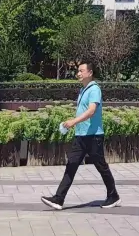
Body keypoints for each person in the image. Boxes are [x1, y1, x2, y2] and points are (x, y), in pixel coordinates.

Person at [41, 61, 120, 210]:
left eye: (81, 71)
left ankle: (113, 195)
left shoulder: (94, 89)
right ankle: (58, 199)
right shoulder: (83, 90)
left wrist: (73, 121)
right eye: (78, 71)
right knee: (71, 165)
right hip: (81, 135)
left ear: (90, 73)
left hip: (94, 136)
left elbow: (91, 111)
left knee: (101, 166)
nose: (78, 73)